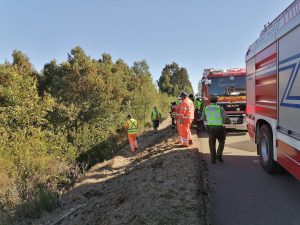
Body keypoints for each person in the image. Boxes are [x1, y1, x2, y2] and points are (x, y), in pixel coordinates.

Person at [202, 95, 229, 163]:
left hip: (210, 128)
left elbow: (203, 118)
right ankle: (219, 156)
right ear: (217, 101)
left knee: (211, 143)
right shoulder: (220, 108)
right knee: (222, 142)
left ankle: (213, 159)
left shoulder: (206, 108)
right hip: (219, 128)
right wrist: (226, 121)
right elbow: (225, 118)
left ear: (210, 101)